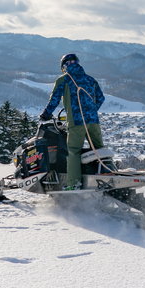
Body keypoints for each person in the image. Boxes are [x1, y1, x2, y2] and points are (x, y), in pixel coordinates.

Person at [40, 53, 105, 190]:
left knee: (74, 151)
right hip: (93, 121)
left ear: (64, 66)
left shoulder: (64, 80)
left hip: (76, 122)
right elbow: (101, 98)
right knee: (100, 150)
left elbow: (54, 100)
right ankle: (109, 175)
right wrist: (91, 111)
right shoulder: (90, 79)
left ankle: (74, 184)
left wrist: (46, 114)